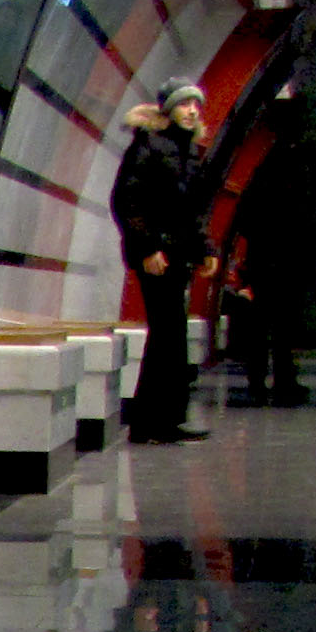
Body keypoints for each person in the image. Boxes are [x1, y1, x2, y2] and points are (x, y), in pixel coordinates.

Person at [113, 81, 214, 442]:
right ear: (168, 109)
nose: (192, 111)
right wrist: (147, 248)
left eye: (196, 105)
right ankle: (150, 423)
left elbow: (194, 209)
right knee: (166, 335)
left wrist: (206, 249)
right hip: (157, 257)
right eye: (184, 104)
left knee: (172, 336)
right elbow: (127, 200)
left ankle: (163, 420)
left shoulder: (188, 151)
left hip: (178, 254)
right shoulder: (148, 145)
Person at [226, 95, 316, 406]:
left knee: (261, 323)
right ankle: (284, 381)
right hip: (290, 257)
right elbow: (309, 218)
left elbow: (244, 214)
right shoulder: (302, 165)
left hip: (264, 255)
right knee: (285, 324)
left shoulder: (263, 163)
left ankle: (258, 381)